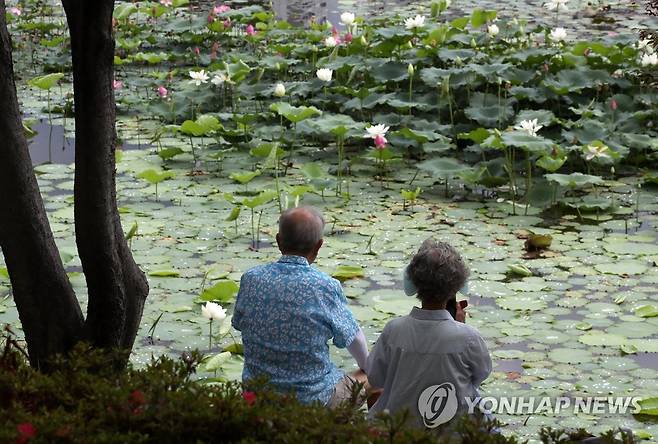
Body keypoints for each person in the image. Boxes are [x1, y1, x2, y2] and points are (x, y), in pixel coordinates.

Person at [232, 206, 370, 407]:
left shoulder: (251, 279)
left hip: (259, 397)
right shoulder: (325, 286)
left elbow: (239, 323)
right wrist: (367, 366)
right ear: (319, 246)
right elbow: (353, 338)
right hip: (313, 401)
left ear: (279, 241)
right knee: (376, 376)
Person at [366, 238, 492, 429]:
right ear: (456, 286)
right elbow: (480, 375)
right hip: (452, 432)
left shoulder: (394, 330)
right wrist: (459, 327)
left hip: (400, 429)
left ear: (414, 281)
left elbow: (376, 377)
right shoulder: (468, 338)